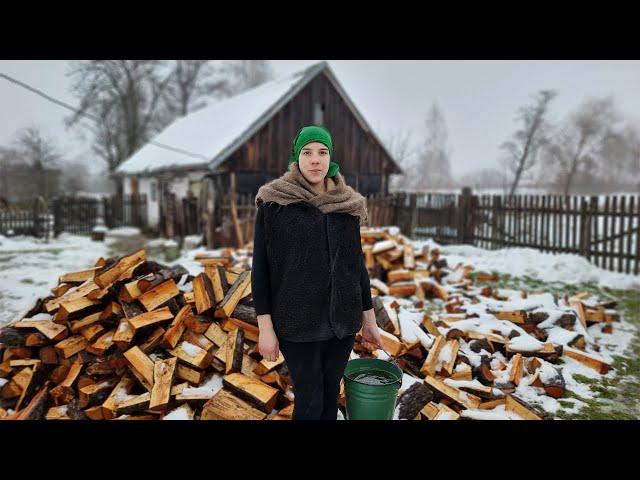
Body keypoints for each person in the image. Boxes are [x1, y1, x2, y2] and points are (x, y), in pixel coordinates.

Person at [251, 125, 384, 420]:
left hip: (342, 323)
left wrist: (369, 320)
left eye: (322, 152)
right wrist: (265, 328)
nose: (315, 160)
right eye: (308, 153)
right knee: (309, 402)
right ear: (296, 158)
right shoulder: (275, 204)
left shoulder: (347, 205)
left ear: (330, 158)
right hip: (297, 323)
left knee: (327, 400)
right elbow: (260, 270)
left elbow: (356, 267)